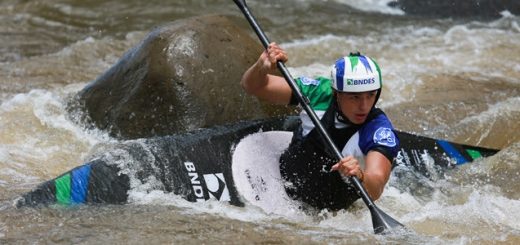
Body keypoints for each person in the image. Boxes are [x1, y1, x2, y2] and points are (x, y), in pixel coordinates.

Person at [240, 42, 400, 211]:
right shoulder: (318, 92)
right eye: (355, 97)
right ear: (336, 93)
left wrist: (360, 175)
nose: (364, 106)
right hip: (285, 176)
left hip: (329, 210)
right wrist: (261, 67)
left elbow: (376, 187)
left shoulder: (378, 129)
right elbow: (253, 86)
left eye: (371, 95)